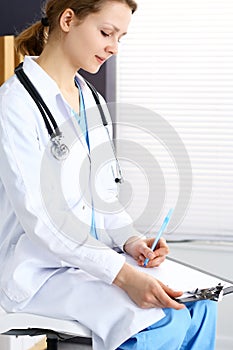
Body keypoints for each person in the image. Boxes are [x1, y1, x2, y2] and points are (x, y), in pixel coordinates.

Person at [0, 1, 217, 349]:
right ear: (68, 19)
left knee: (202, 303)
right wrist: (124, 276)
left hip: (93, 261)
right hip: (39, 272)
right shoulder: (15, 106)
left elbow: (106, 196)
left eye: (121, 37)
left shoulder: (94, 102)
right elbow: (46, 222)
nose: (114, 47)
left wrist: (132, 241)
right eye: (106, 32)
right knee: (163, 321)